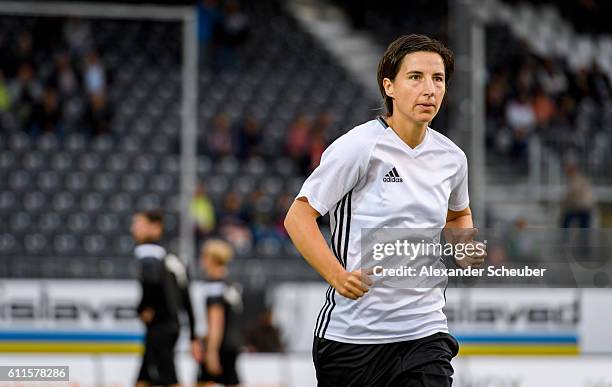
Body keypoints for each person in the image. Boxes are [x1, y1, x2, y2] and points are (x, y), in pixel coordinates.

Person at [284, 34, 485, 386]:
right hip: (353, 340)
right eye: (416, 77)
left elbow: (457, 214)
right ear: (389, 86)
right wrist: (336, 275)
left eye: (438, 79)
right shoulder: (358, 147)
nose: (429, 89)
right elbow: (299, 216)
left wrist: (464, 242)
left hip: (425, 330)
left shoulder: (453, 158)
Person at [131, 210, 201, 387]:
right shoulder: (173, 259)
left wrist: (144, 307)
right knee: (144, 378)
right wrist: (193, 335)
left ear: (155, 227)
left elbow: (151, 281)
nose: (134, 229)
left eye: (138, 224)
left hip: (160, 325)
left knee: (168, 378)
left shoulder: (148, 252)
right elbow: (186, 298)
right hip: (171, 324)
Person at [197, 239, 241, 387]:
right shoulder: (229, 284)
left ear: (212, 259)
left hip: (218, 343)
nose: (202, 260)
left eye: (204, 256)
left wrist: (211, 351)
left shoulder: (214, 285)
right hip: (232, 342)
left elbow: (216, 321)